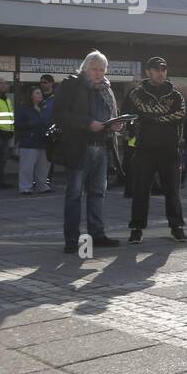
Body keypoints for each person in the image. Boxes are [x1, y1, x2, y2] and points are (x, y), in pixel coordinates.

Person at [53, 51, 125, 253]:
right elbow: (58, 115)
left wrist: (115, 125)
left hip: (101, 147)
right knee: (74, 195)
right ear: (85, 67)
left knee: (97, 193)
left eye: (102, 69)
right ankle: (71, 240)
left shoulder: (106, 89)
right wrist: (87, 123)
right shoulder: (71, 85)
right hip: (79, 147)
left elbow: (110, 116)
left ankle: (97, 234)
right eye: (95, 69)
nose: (99, 73)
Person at [123, 57, 186, 244]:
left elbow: (180, 115)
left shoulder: (176, 95)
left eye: (164, 69)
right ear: (148, 72)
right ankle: (136, 228)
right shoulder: (135, 94)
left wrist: (151, 117)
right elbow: (128, 116)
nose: (161, 73)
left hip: (169, 149)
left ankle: (177, 227)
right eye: (157, 69)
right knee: (140, 190)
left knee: (173, 190)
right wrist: (159, 117)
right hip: (144, 148)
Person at [14, 85, 54, 194]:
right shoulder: (23, 109)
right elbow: (17, 124)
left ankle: (42, 185)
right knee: (27, 166)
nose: (40, 95)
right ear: (30, 96)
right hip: (29, 141)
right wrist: (32, 123)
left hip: (45, 141)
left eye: (40, 93)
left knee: (44, 166)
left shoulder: (45, 108)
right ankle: (25, 187)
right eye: (37, 93)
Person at [39, 75, 57, 187]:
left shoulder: (57, 97)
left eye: (44, 82)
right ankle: (37, 179)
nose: (42, 84)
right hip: (38, 130)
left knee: (50, 156)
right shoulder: (38, 95)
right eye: (41, 82)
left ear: (51, 83)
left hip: (51, 132)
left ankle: (47, 179)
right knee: (37, 157)